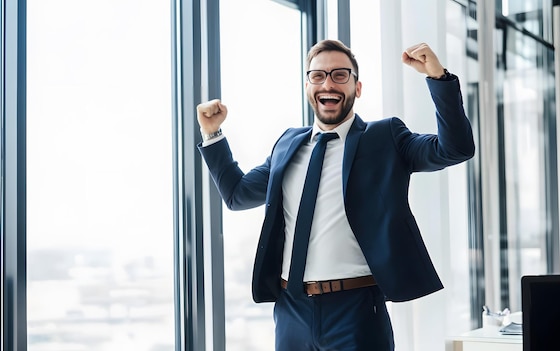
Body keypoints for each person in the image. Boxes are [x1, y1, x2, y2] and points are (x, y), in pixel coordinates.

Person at [196, 39, 475, 351]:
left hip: (355, 310)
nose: (328, 82)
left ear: (357, 88)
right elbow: (237, 195)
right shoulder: (288, 144)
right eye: (318, 75)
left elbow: (455, 149)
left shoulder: (386, 137)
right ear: (307, 87)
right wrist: (213, 134)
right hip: (292, 309)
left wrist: (438, 78)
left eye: (340, 75)